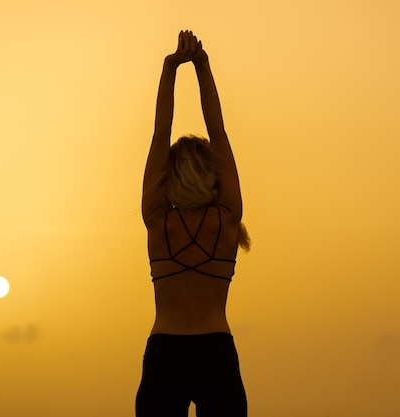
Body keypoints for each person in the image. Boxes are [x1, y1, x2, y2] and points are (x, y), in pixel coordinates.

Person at [136, 30, 250, 417]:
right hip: (215, 351)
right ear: (211, 174)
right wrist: (202, 65)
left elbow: (159, 134)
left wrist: (170, 68)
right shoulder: (227, 218)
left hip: (165, 351)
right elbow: (219, 131)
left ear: (170, 176)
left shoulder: (156, 220)